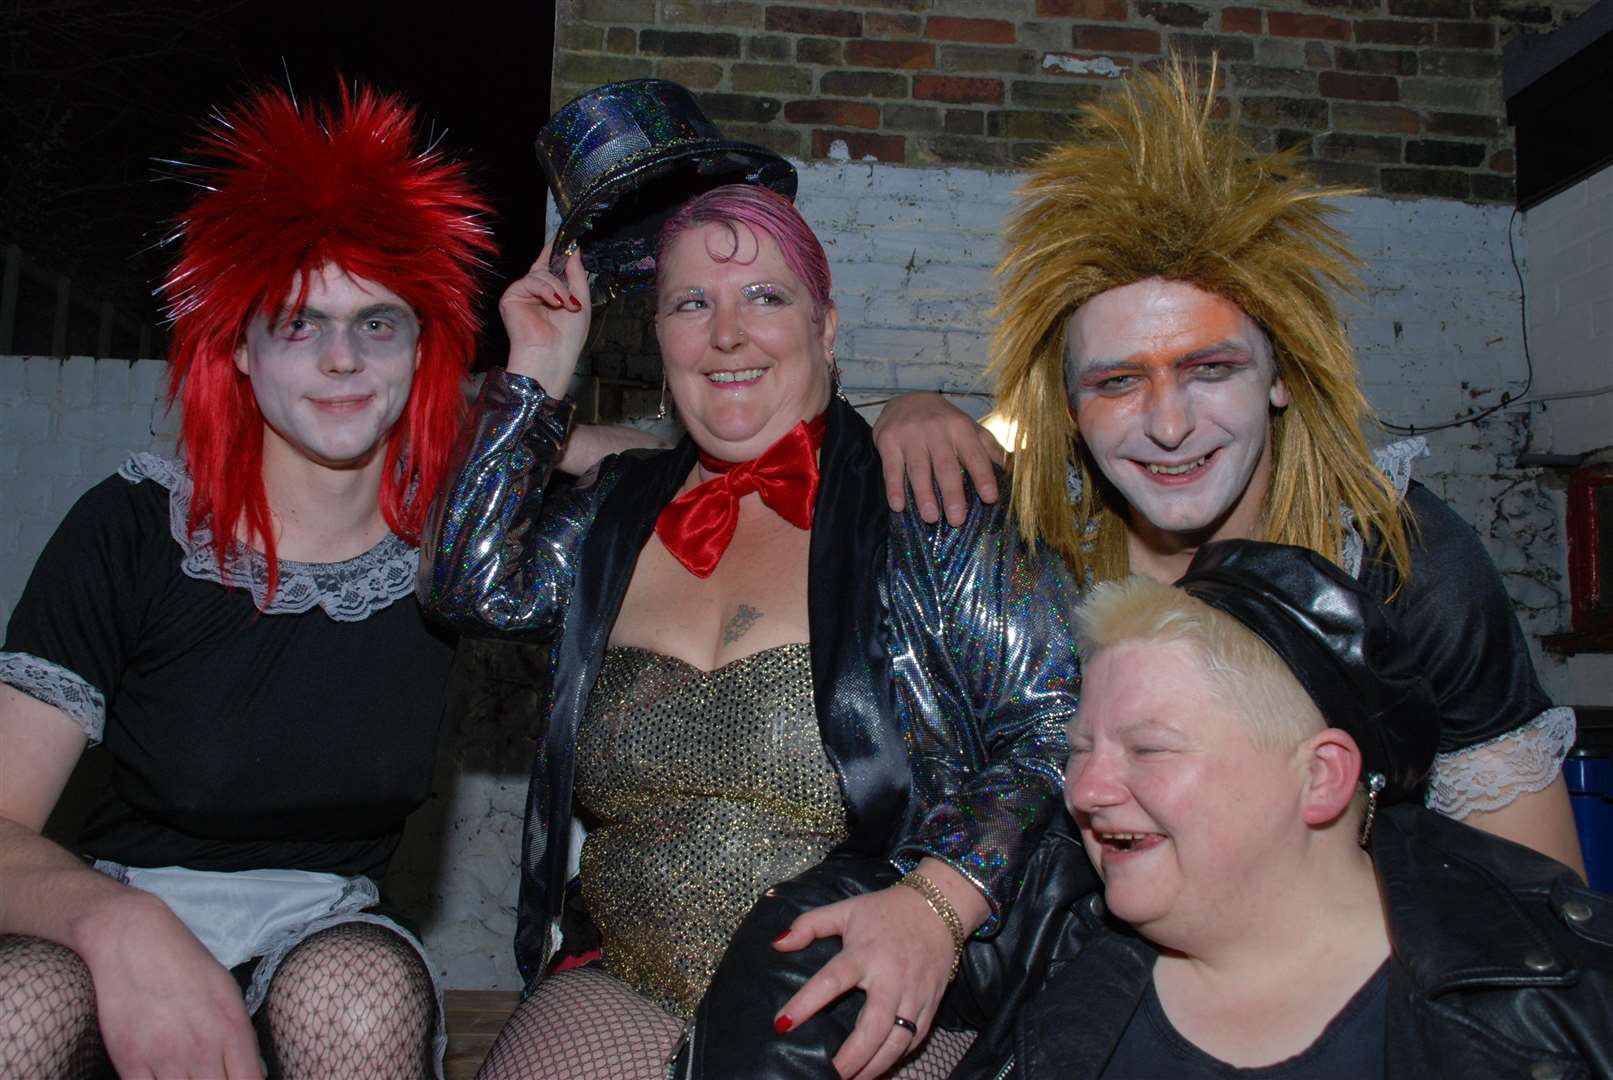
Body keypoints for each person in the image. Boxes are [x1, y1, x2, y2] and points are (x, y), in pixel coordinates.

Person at [417, 182, 1078, 1080]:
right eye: (693, 304)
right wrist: (535, 366)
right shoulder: (615, 511)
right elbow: (467, 588)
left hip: (858, 981)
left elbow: (1053, 729)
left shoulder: (928, 499)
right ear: (660, 340)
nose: (727, 334)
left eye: (765, 297)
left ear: (827, 328)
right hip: (632, 979)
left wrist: (938, 902)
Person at [870, 58, 1584, 873]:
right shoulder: (1029, 561)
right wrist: (898, 407)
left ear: (1279, 377)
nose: (1170, 425)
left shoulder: (1395, 554)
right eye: (1118, 381)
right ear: (1070, 412)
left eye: (1210, 369)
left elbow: (1536, 898)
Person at [0, 84, 495, 1080]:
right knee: (17, 1005)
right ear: (237, 347)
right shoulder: (136, 527)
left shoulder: (460, 548)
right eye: (298, 323)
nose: (343, 359)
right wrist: (117, 923)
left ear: (421, 349)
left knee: (356, 1004)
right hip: (111, 909)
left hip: (328, 939)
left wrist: (899, 414)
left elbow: (670, 463)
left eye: (378, 323)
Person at [949, 540, 1613, 1079]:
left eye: (1148, 749)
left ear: (1320, 778)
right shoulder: (1045, 954)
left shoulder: (1565, 1003)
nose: (1085, 791)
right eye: (1080, 750)